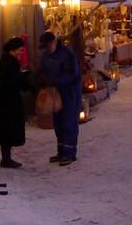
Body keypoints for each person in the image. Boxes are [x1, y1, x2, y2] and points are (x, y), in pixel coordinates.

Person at [39, 32, 81, 166]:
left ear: (53, 42)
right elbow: (43, 71)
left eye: (47, 46)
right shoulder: (46, 56)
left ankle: (69, 153)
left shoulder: (66, 53)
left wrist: (57, 81)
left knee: (69, 122)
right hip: (55, 92)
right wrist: (45, 82)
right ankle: (61, 151)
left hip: (69, 92)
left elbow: (73, 74)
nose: (46, 49)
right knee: (58, 123)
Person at [0, 37, 28, 168]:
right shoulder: (10, 63)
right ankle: (6, 159)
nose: (21, 52)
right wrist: (24, 80)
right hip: (9, 101)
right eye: (20, 50)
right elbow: (12, 81)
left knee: (6, 130)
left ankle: (6, 158)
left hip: (4, 99)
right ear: (13, 50)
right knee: (8, 129)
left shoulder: (5, 61)